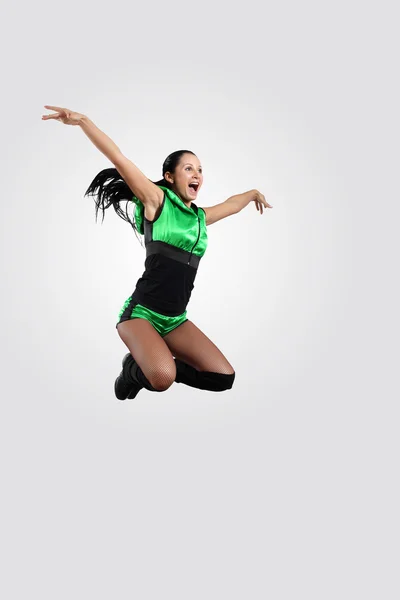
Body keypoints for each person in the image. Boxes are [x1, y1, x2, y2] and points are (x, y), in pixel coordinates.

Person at [42, 105, 272, 400]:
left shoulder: (200, 217)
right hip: (141, 314)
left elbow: (231, 204)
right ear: (170, 176)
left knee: (222, 378)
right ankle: (134, 371)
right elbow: (118, 158)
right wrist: (83, 121)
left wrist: (253, 193)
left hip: (175, 319)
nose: (197, 174)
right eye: (188, 168)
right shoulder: (156, 200)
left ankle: (154, 359)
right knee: (163, 378)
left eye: (200, 169)